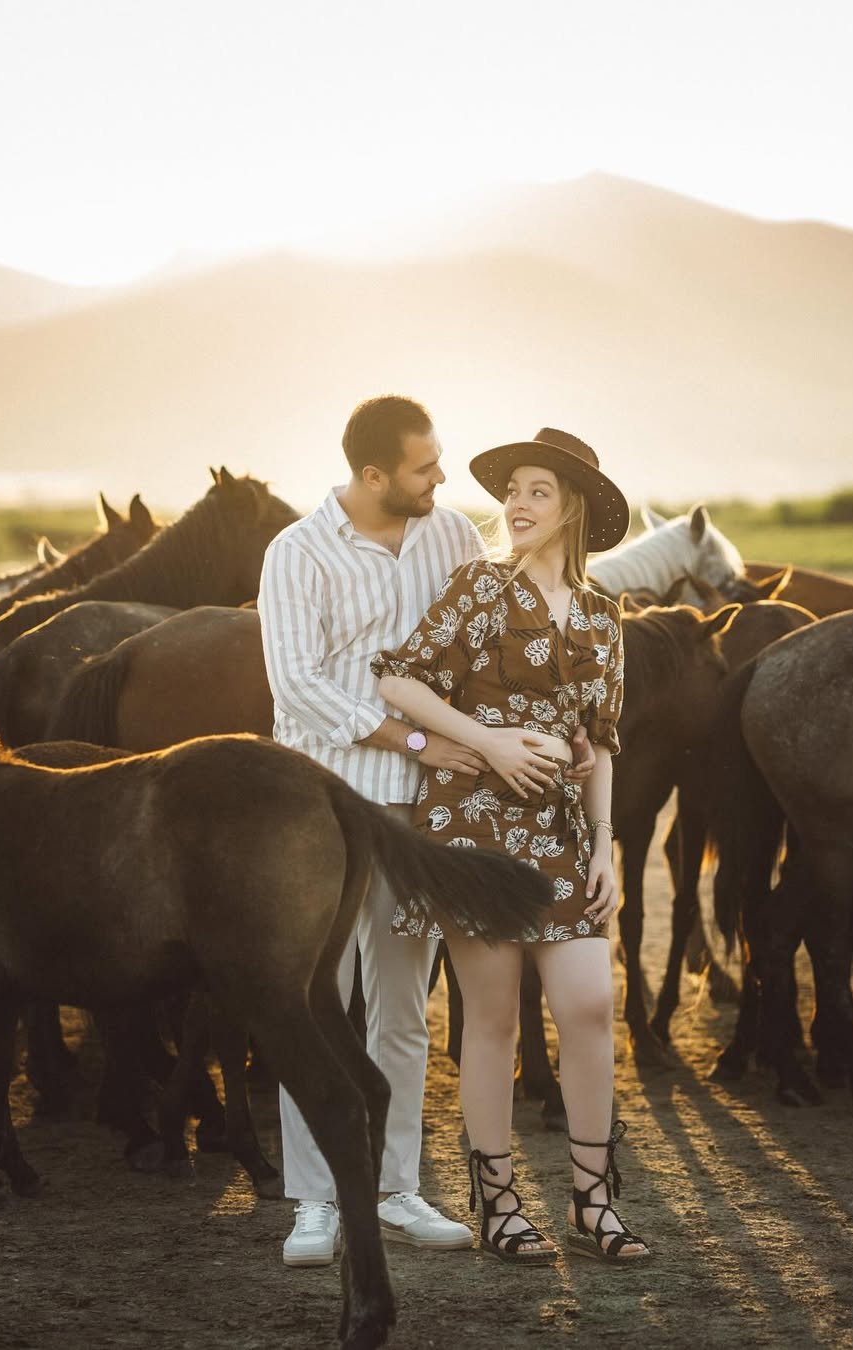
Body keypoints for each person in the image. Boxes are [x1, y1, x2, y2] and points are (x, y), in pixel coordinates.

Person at [257, 398, 595, 1267]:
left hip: (426, 813)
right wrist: (421, 738)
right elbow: (301, 688)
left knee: (403, 1009)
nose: (442, 479)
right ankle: (317, 1200)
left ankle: (396, 1185)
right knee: (316, 1005)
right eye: (423, 467)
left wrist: (548, 727)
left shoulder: (451, 539)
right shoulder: (296, 554)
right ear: (374, 477)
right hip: (323, 811)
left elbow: (487, 642)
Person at [373, 427, 650, 1265]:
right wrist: (486, 742)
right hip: (472, 829)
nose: (516, 505)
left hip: (565, 838)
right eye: (513, 490)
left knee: (589, 1006)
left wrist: (605, 847)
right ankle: (499, 1206)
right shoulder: (480, 587)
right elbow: (398, 677)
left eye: (537, 491)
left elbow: (598, 743)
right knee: (490, 1021)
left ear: (570, 508)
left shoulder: (605, 617)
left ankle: (593, 1205)